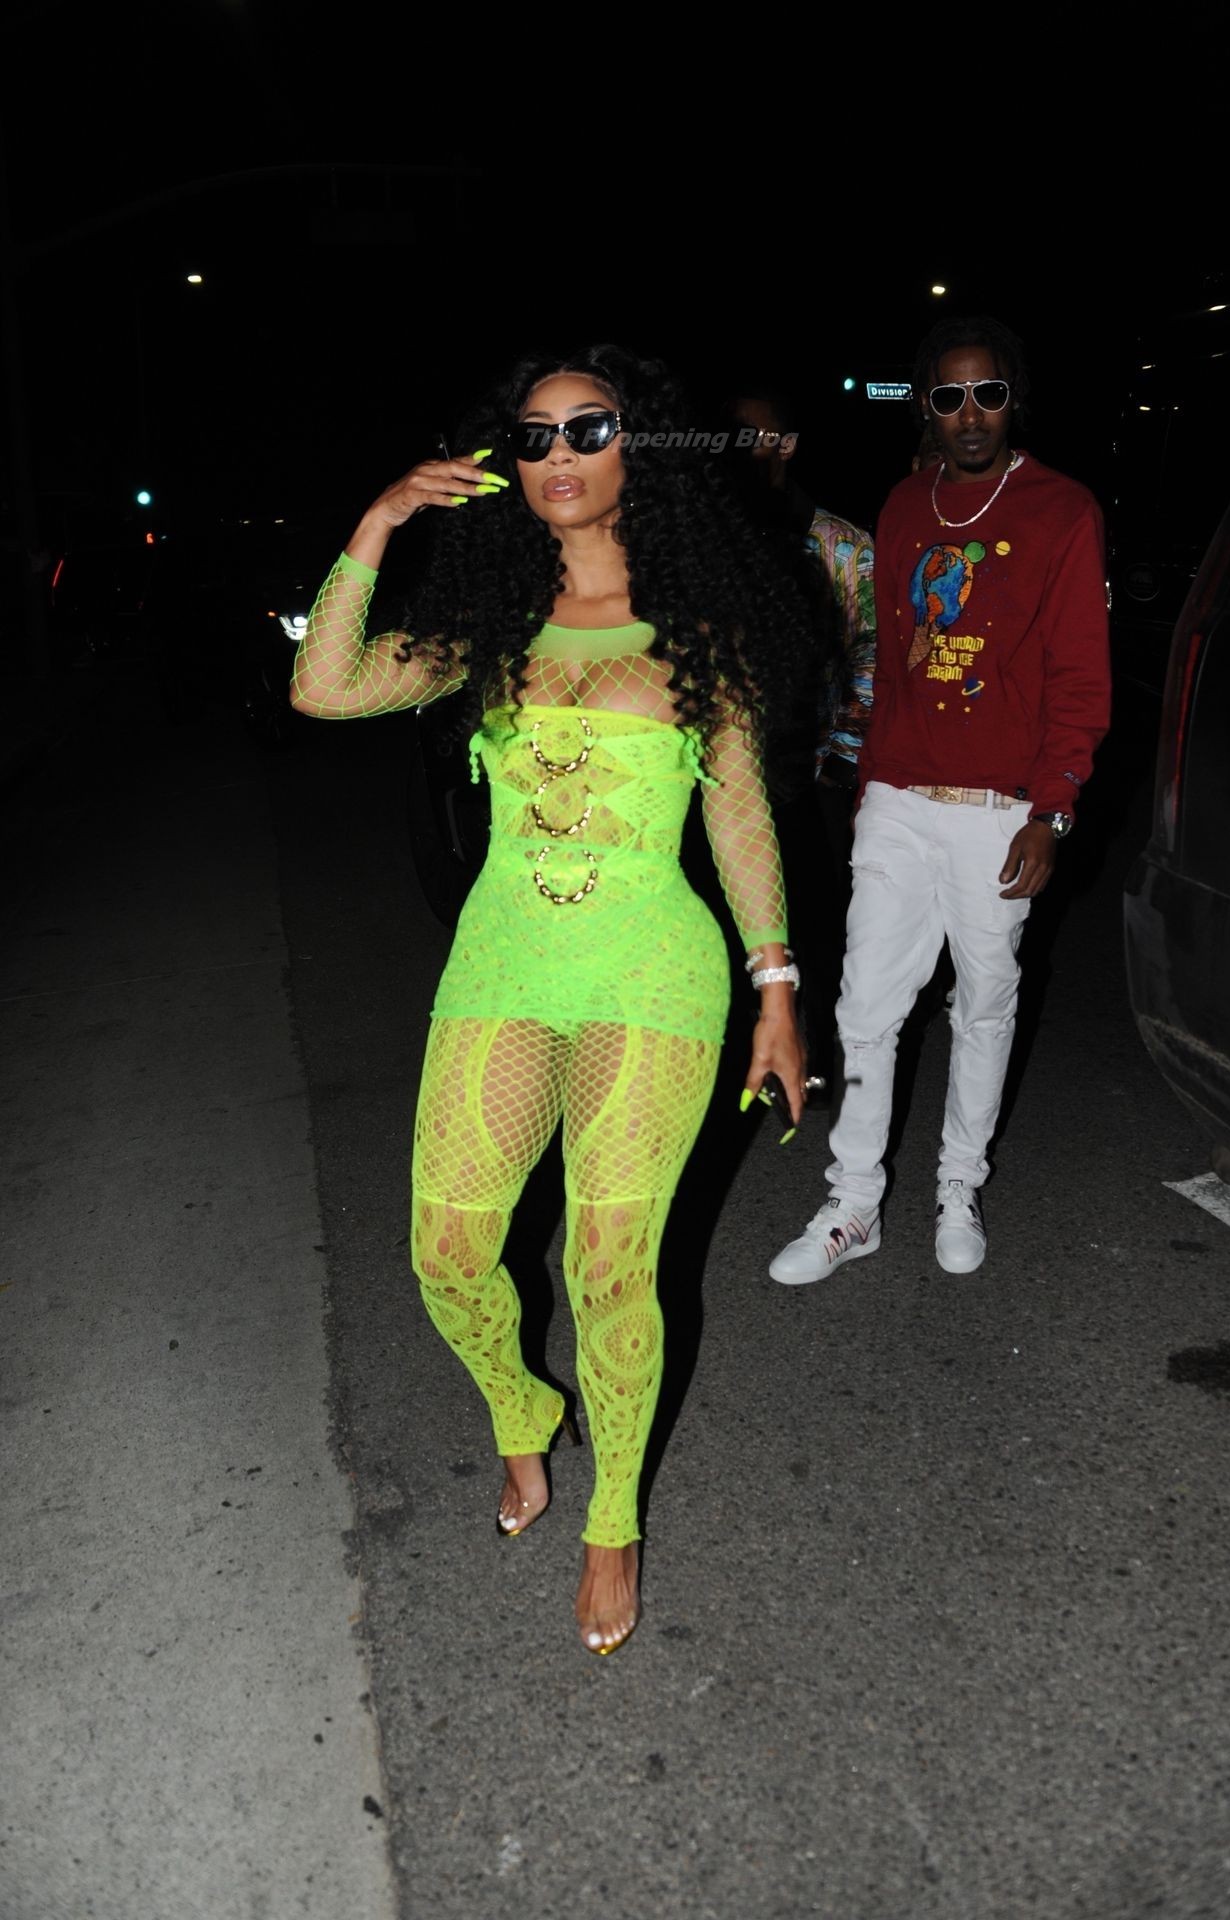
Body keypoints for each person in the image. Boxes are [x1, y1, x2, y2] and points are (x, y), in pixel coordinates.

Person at [290, 345, 809, 1656]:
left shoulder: (698, 629)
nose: (559, 454)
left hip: (653, 973)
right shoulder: (489, 623)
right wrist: (379, 521)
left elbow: (739, 818)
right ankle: (523, 1413)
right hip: (505, 966)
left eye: (589, 428)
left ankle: (612, 1521)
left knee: (607, 1265)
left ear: (641, 451)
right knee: (447, 1253)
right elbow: (322, 686)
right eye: (533, 436)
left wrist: (776, 987)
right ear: (505, 466)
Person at [769, 316, 1110, 1283]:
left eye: (987, 394)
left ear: (1012, 401)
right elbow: (889, 660)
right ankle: (853, 1203)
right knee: (864, 1003)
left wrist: (1051, 810)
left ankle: (957, 1187)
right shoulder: (902, 507)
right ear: (925, 404)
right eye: (950, 396)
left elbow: (1080, 678)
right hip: (899, 797)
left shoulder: (1060, 509)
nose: (969, 414)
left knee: (984, 1005)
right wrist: (869, 779)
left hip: (1001, 808)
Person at [722, 388, 876, 1094]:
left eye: (759, 435)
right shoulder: (707, 536)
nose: (744, 449)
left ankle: (816, 1061)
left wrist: (841, 760)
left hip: (811, 770)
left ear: (787, 445)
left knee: (817, 923)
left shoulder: (841, 547)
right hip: (726, 774)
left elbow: (870, 655)